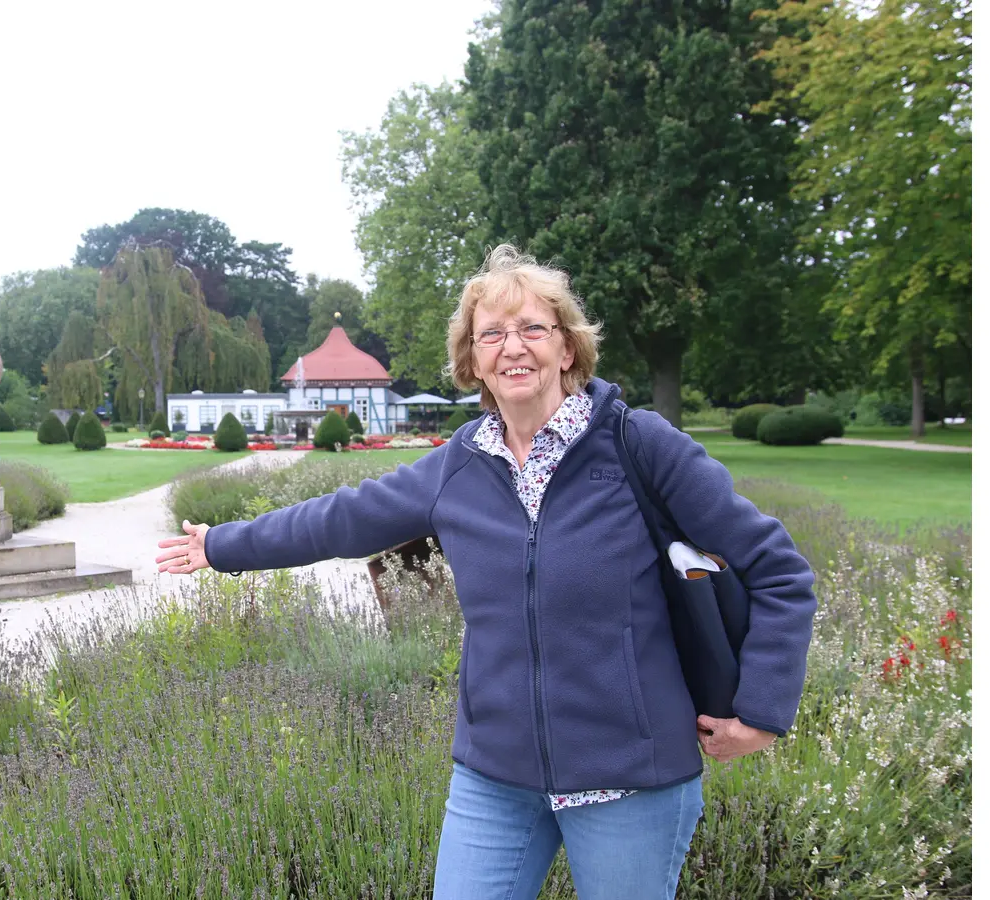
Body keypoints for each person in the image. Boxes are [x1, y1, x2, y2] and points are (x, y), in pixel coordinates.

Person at [155, 245, 817, 900]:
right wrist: (223, 545)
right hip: (495, 780)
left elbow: (778, 570)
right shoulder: (458, 465)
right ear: (472, 361)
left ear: (567, 348)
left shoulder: (638, 445)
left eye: (533, 328)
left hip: (629, 781)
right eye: (492, 334)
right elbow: (341, 519)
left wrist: (762, 712)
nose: (513, 346)